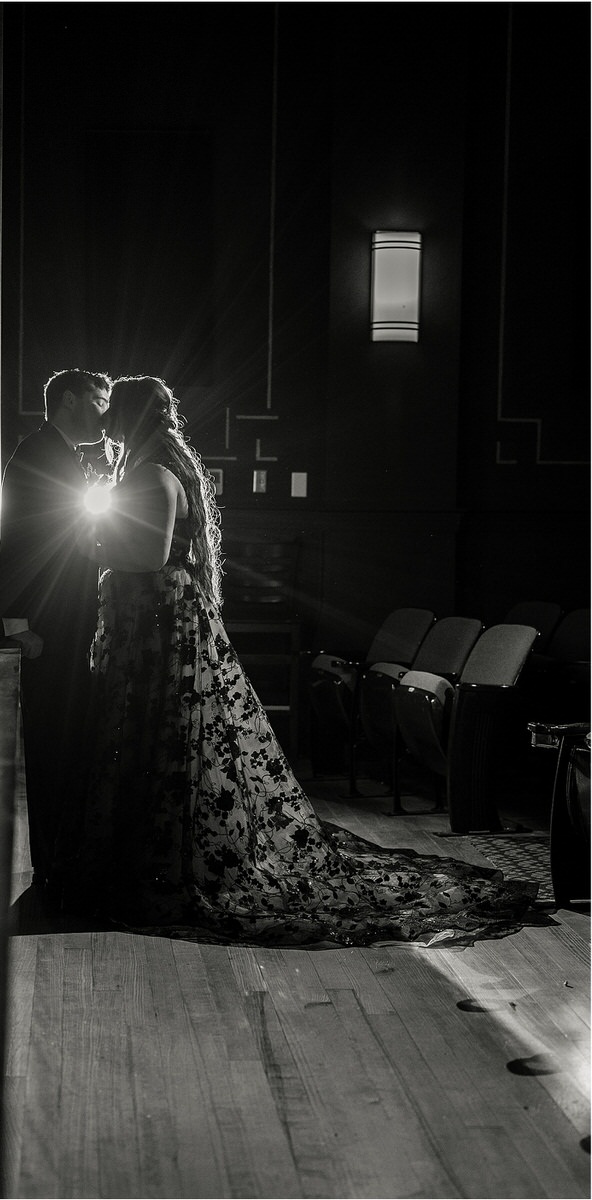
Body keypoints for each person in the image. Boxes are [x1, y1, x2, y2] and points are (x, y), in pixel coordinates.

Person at [74, 373, 544, 948]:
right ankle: (165, 852)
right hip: (162, 623)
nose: (103, 428)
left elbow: (146, 557)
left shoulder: (151, 472)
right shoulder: (168, 462)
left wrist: (89, 542)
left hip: (157, 624)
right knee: (173, 743)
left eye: (108, 418)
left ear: (126, 420)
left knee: (168, 742)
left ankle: (168, 862)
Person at [0, 368, 111, 899]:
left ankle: (61, 859)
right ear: (69, 400)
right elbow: (18, 539)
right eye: (99, 402)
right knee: (50, 743)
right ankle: (51, 867)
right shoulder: (39, 453)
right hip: (46, 623)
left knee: (66, 739)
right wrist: (19, 624)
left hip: (67, 617)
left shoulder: (60, 453)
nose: (105, 414)